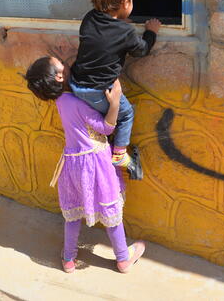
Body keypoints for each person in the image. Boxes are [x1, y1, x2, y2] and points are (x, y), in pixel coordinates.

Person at [26, 56, 145, 273]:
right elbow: (107, 128)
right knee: (110, 209)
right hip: (96, 162)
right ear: (60, 76)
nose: (65, 59)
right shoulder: (79, 103)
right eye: (61, 61)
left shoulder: (61, 100)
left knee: (73, 213)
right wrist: (116, 102)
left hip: (72, 164)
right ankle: (123, 259)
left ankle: (69, 259)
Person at [70, 0, 161, 180]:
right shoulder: (125, 32)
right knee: (126, 114)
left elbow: (105, 33)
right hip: (97, 91)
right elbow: (142, 49)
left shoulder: (89, 17)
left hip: (76, 85)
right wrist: (151, 31)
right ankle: (119, 154)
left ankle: (107, 144)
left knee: (102, 118)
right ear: (126, 2)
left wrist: (120, 21)